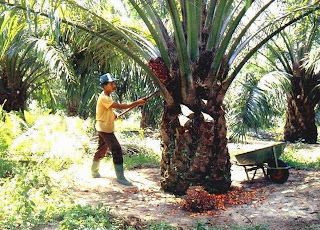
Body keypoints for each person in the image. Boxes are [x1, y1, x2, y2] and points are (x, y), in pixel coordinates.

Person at [91, 73, 146, 186]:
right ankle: (120, 177)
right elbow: (120, 106)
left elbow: (108, 109)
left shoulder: (107, 96)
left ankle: (94, 171)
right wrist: (137, 103)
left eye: (114, 83)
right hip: (105, 130)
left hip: (103, 127)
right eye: (112, 83)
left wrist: (114, 114)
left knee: (101, 150)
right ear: (105, 85)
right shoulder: (104, 97)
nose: (114, 85)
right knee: (116, 149)